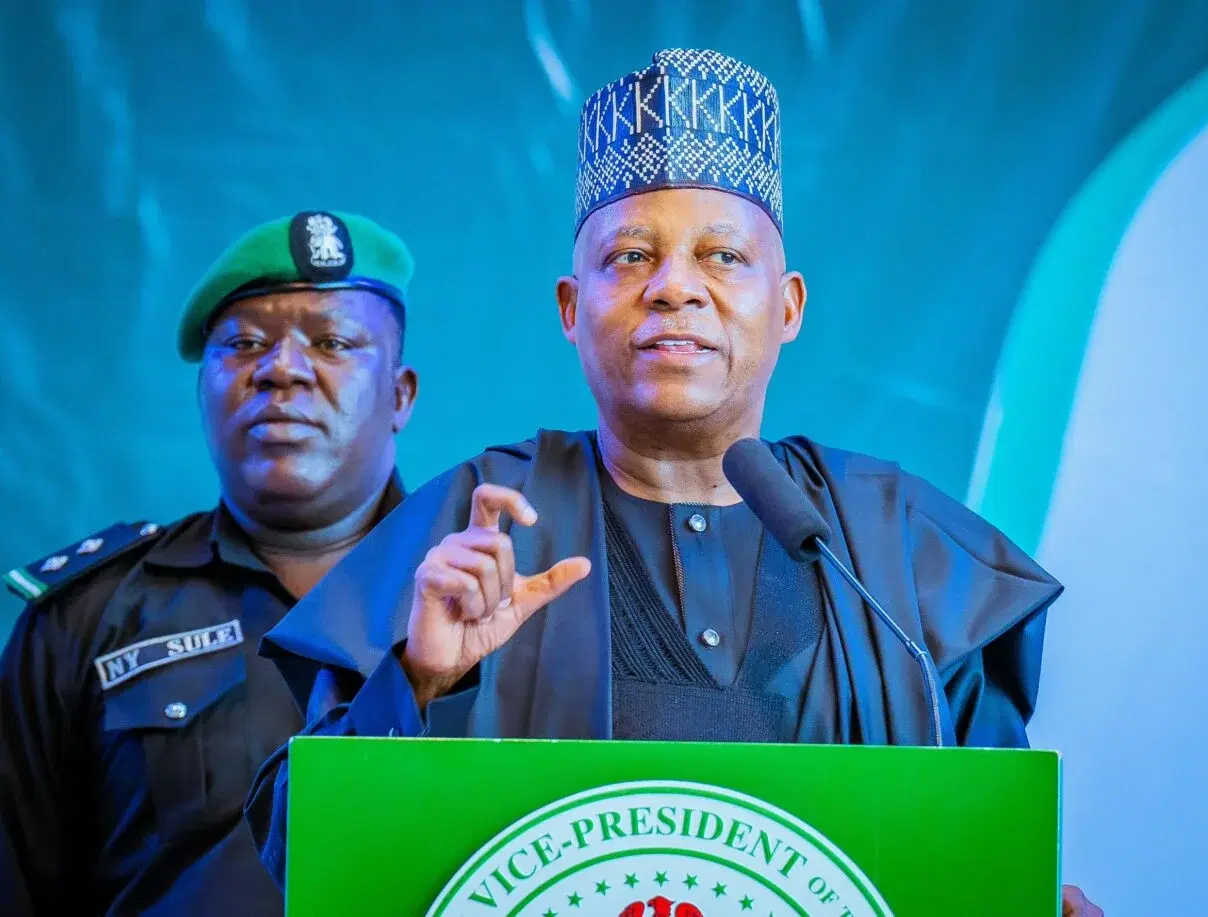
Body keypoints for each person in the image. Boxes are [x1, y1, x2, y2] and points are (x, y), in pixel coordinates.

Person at [246, 52, 1101, 916]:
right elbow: (303, 854)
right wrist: (420, 678)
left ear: (789, 306)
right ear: (571, 307)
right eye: (629, 256)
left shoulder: (898, 547)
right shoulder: (475, 529)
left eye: (722, 255)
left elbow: (992, 858)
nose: (675, 288)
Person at [0, 210, 420, 916]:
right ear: (203, 393)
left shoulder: (497, 603)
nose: (281, 369)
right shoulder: (87, 619)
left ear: (400, 394)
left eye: (333, 342)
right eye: (245, 343)